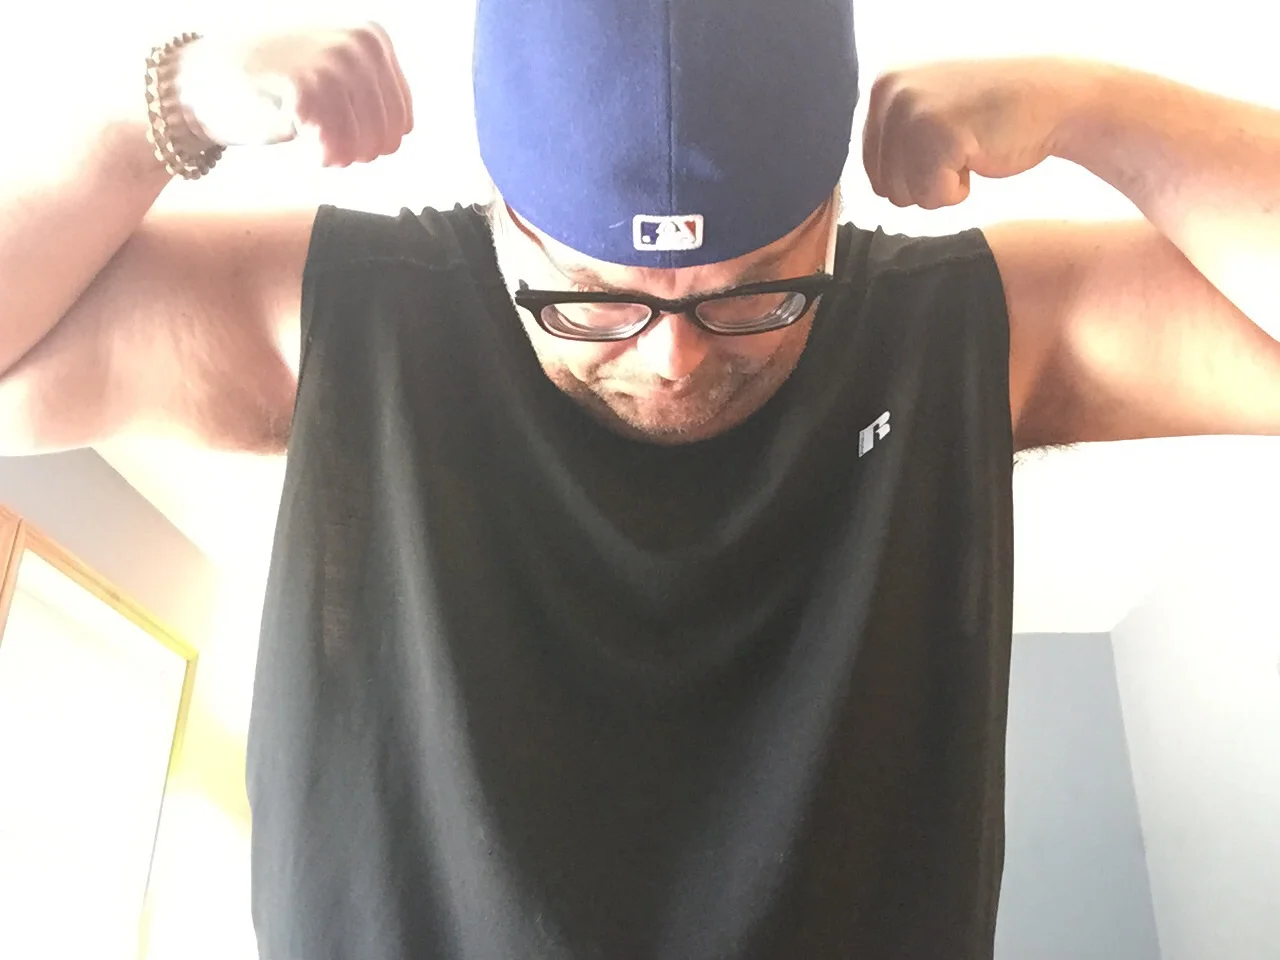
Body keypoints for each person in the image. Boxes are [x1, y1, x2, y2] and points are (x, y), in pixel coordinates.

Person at [2, 1, 1277, 957]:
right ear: (502, 220)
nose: (671, 356)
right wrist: (160, 103)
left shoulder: (955, 329)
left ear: (833, 210)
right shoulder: (359, 310)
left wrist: (1096, 107)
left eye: (756, 293)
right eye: (590, 298)